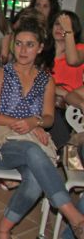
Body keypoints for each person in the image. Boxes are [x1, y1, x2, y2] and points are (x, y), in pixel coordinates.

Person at [0, 18, 84, 239]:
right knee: (32, 151)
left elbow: (48, 118)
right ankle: (74, 216)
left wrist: (34, 123)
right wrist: (23, 125)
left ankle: (3, 228)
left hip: (30, 142)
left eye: (29, 44)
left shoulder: (46, 80)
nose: (23, 50)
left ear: (40, 48)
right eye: (18, 44)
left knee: (35, 181)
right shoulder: (1, 73)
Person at [47, 11, 84, 150]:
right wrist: (59, 90)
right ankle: (64, 148)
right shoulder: (43, 53)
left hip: (72, 108)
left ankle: (65, 148)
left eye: (64, 26)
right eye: (57, 24)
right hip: (49, 104)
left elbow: (73, 60)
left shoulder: (80, 49)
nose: (59, 28)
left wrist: (68, 31)